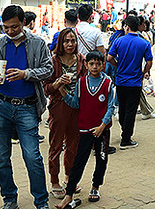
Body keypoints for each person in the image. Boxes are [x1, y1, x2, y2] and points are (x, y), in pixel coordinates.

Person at [0, 5, 53, 209]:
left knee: (32, 156)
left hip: (27, 107)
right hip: (1, 106)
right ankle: (9, 198)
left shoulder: (37, 43)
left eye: (14, 26)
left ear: (23, 22)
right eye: (6, 27)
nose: (10, 31)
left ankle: (41, 200)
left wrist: (26, 74)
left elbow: (48, 69)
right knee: (1, 158)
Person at [56, 50, 116, 209]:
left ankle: (95, 187)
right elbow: (76, 103)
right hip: (84, 130)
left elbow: (111, 107)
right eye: (91, 64)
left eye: (98, 63)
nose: (95, 67)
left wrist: (102, 126)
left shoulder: (108, 83)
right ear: (86, 65)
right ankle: (69, 194)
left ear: (103, 65)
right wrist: (62, 92)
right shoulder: (81, 83)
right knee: (78, 161)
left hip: (102, 131)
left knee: (101, 160)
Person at [43, 28, 85, 200]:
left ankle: (69, 178)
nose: (70, 44)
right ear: (61, 43)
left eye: (73, 41)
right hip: (59, 108)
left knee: (73, 145)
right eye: (66, 41)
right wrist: (58, 83)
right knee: (56, 144)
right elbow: (46, 88)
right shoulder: (53, 62)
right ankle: (54, 181)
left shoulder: (82, 60)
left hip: (77, 108)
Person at [107, 14, 153, 150]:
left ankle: (124, 129)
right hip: (135, 82)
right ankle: (126, 139)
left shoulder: (119, 41)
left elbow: (109, 58)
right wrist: (144, 71)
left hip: (121, 80)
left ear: (126, 26)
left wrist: (118, 65)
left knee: (122, 107)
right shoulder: (144, 43)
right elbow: (149, 62)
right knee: (131, 110)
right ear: (138, 26)